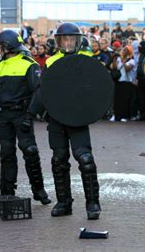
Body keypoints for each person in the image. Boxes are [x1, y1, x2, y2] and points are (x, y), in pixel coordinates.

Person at [0, 30, 51, 205]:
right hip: (3, 116)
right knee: (6, 153)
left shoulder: (29, 64)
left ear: (8, 46)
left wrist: (30, 115)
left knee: (30, 151)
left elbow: (38, 92)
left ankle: (39, 190)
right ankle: (7, 191)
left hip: (21, 115)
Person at [43, 22, 102, 220]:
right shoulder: (51, 62)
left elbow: (98, 86)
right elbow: (44, 89)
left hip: (78, 118)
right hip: (56, 118)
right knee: (59, 160)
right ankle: (63, 202)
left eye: (71, 39)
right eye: (64, 39)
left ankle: (92, 203)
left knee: (85, 159)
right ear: (58, 42)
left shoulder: (87, 60)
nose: (67, 43)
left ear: (77, 41)